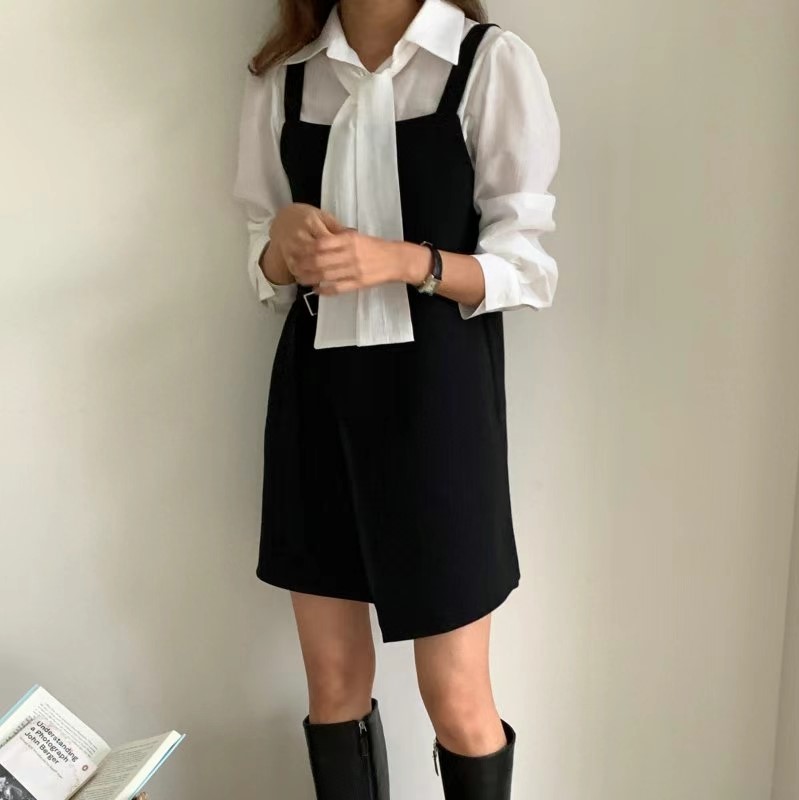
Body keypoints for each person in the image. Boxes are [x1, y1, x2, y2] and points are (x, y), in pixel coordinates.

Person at [233, 0, 560, 797]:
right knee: (333, 686)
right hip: (317, 402)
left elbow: (526, 269)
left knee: (456, 695)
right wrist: (282, 245)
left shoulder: (486, 63)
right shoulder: (284, 78)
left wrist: (409, 261)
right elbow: (262, 262)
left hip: (439, 409)